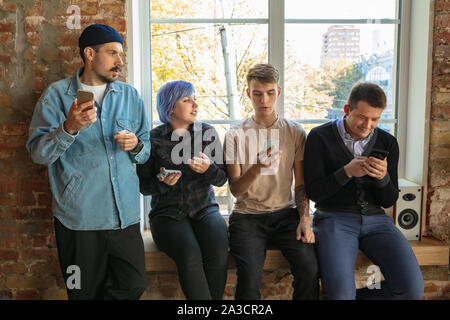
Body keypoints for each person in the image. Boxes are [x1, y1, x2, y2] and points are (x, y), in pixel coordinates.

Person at [26, 24, 150, 300]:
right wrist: (68, 128)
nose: (120, 61)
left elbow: (146, 150)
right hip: (78, 221)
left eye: (121, 54)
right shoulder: (55, 96)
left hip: (124, 218)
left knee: (134, 284)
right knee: (81, 293)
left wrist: (136, 145)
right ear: (90, 54)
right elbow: (38, 154)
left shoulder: (130, 96)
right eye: (112, 53)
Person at [304, 81, 424, 300]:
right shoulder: (319, 137)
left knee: (412, 290)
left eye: (375, 119)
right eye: (362, 117)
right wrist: (346, 172)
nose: (368, 125)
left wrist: (382, 178)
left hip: (377, 221)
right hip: (334, 219)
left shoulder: (388, 142)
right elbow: (314, 192)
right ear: (347, 110)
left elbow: (389, 200)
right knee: (340, 295)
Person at [224, 63, 319, 300]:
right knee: (248, 279)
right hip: (247, 216)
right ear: (248, 94)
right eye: (256, 93)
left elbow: (301, 184)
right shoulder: (235, 134)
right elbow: (235, 190)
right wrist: (257, 167)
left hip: (286, 215)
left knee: (309, 268)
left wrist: (305, 218)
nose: (263, 100)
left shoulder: (295, 132)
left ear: (278, 91)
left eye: (269, 93)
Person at [137, 80, 229, 300]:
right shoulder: (152, 138)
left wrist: (208, 169)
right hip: (167, 215)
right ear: (170, 107)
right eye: (187, 100)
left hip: (205, 209)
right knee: (189, 254)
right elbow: (143, 186)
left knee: (218, 250)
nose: (195, 105)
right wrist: (162, 182)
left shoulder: (207, 132)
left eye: (194, 99)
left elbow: (221, 179)